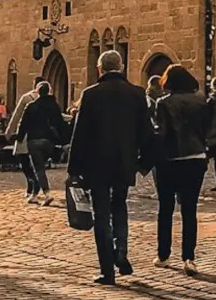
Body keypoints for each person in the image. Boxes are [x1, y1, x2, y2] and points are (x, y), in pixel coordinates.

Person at [66, 49, 155, 286]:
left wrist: (74, 169)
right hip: (124, 162)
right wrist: (145, 162)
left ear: (100, 69)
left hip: (97, 164)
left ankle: (107, 270)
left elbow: (80, 134)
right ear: (122, 67)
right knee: (120, 206)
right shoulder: (136, 94)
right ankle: (121, 248)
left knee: (101, 213)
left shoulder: (91, 94)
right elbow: (146, 132)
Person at [152, 65, 212, 273]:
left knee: (166, 209)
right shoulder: (201, 101)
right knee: (189, 209)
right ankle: (189, 257)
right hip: (196, 157)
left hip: (171, 159)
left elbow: (161, 134)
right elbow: (207, 130)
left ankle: (163, 254)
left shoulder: (164, 103)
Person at [11, 79, 67, 204]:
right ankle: (35, 194)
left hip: (34, 140)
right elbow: (60, 123)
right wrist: (64, 140)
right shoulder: (54, 105)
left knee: (38, 168)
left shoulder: (31, 106)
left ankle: (47, 194)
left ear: (37, 92)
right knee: (38, 167)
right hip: (49, 141)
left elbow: (23, 124)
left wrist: (19, 138)